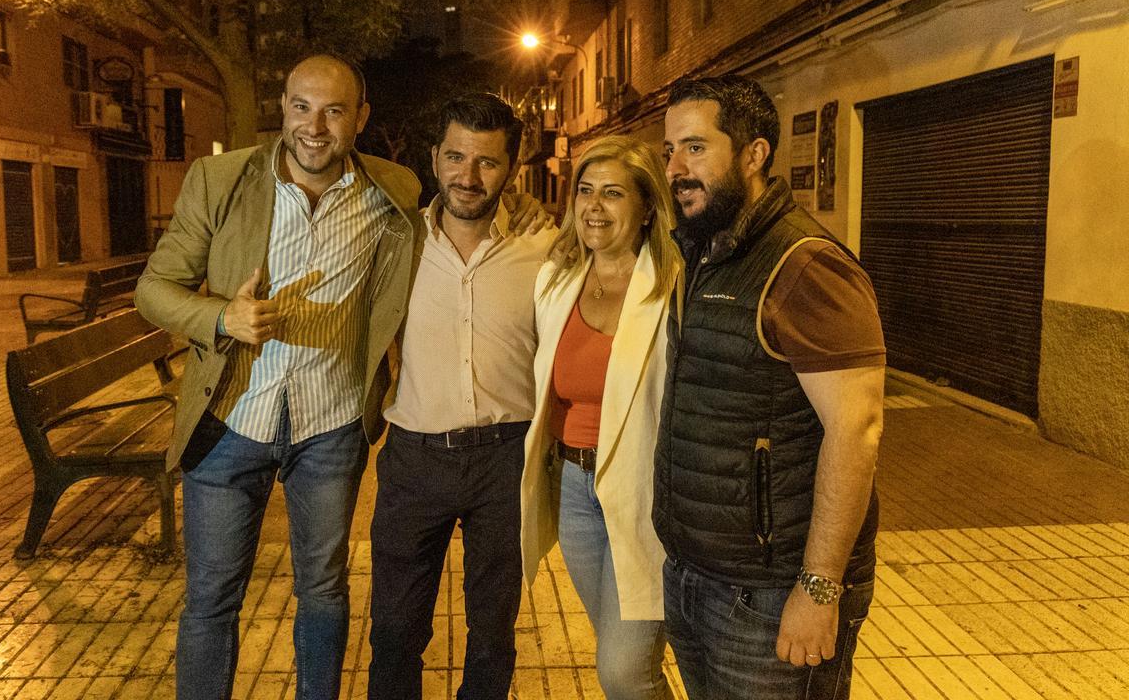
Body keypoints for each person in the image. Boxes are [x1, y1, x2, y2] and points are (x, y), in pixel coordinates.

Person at [135, 53, 421, 700]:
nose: (313, 127)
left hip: (332, 425)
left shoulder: (393, 193)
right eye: (300, 107)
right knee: (211, 596)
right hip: (231, 418)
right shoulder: (220, 180)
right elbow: (153, 290)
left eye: (334, 110)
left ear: (361, 118)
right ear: (283, 109)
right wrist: (221, 317)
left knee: (322, 588)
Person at [654, 76, 886, 700]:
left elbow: (856, 429)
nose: (676, 167)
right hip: (698, 576)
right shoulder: (704, 253)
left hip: (769, 592)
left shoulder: (805, 265)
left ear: (753, 155)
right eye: (670, 150)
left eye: (696, 148)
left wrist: (818, 588)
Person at [368, 93, 556, 700]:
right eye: (454, 156)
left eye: (487, 162)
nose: (467, 177)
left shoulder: (547, 246)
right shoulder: (395, 243)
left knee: (492, 631)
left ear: (513, 166)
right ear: (433, 158)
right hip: (414, 458)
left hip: (507, 460)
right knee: (395, 629)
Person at [521, 135, 682, 699]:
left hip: (646, 493)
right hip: (573, 490)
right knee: (626, 662)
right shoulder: (555, 280)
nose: (593, 206)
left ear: (646, 208)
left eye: (613, 194)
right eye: (585, 191)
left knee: (623, 670)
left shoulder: (673, 286)